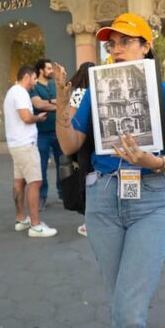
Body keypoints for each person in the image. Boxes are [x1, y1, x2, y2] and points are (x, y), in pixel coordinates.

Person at [53, 13, 165, 328]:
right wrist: (62, 104)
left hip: (150, 201)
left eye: (125, 41)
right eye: (111, 44)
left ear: (147, 46)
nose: (115, 49)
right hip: (102, 200)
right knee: (119, 304)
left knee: (131, 315)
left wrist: (156, 162)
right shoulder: (93, 94)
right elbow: (70, 145)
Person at [3, 65, 57, 238]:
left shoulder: (12, 92)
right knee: (35, 182)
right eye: (34, 78)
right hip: (25, 144)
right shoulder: (20, 92)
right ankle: (36, 225)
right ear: (27, 77)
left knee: (19, 182)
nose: (35, 82)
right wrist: (38, 118)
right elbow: (26, 117)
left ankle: (21, 219)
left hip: (16, 144)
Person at [30, 58, 62, 211]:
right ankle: (42, 197)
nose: (51, 71)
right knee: (41, 166)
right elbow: (38, 104)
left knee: (63, 165)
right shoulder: (34, 87)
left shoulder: (54, 85)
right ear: (41, 70)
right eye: (49, 68)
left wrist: (53, 103)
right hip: (41, 133)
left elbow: (63, 101)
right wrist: (54, 103)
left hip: (59, 132)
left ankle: (64, 194)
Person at [67, 61, 95, 237]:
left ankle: (88, 222)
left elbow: (70, 117)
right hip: (97, 140)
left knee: (86, 178)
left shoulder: (78, 93)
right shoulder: (97, 92)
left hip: (82, 140)